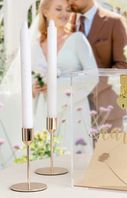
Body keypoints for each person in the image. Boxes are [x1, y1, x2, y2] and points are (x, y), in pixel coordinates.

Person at [31, 0, 98, 154]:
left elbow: (92, 75)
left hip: (73, 110)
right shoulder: (35, 45)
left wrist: (56, 84)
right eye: (58, 9)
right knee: (44, 157)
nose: (65, 14)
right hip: (44, 111)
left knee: (72, 157)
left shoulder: (77, 39)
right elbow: (27, 78)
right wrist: (33, 89)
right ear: (46, 12)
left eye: (67, 9)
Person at [66, 0, 127, 129]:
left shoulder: (114, 22)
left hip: (106, 109)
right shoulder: (66, 24)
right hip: (73, 110)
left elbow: (123, 65)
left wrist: (88, 86)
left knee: (109, 150)